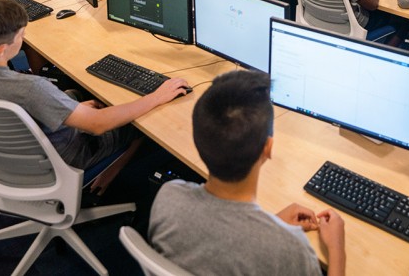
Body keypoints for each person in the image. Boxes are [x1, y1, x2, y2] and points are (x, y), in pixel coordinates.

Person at [0, 0, 190, 192]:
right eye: (21, 35)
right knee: (142, 119)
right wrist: (157, 96)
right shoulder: (30, 88)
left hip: (5, 161)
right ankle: (112, 170)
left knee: (75, 94)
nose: (23, 39)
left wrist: (67, 106)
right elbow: (98, 124)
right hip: (64, 160)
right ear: (2, 49)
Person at [147, 69, 345, 276]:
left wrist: (273, 224)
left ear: (197, 141)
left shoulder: (167, 197)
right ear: (268, 148)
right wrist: (336, 249)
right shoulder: (289, 250)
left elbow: (225, 239)